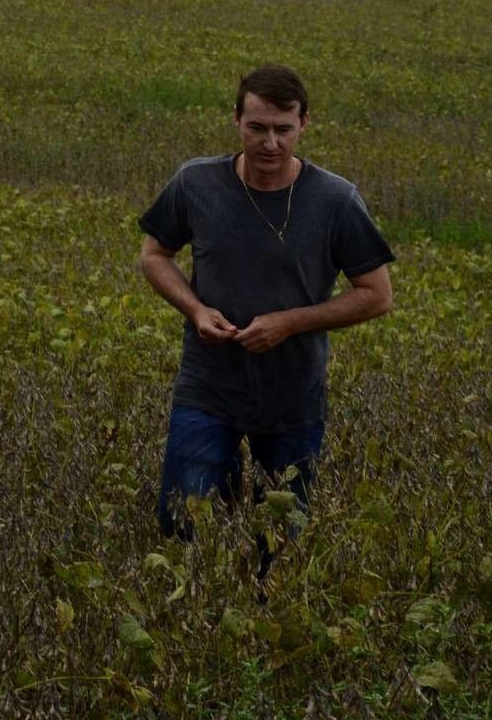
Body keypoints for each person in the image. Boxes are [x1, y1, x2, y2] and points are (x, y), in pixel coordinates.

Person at [138, 64, 394, 570]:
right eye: (257, 127)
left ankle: (261, 619)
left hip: (293, 393)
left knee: (279, 542)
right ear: (235, 120)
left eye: (283, 129)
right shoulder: (196, 182)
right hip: (209, 385)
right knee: (182, 521)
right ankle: (198, 624)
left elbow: (376, 295)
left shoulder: (336, 200)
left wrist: (289, 323)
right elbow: (154, 255)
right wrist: (195, 309)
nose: (270, 143)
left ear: (304, 125)